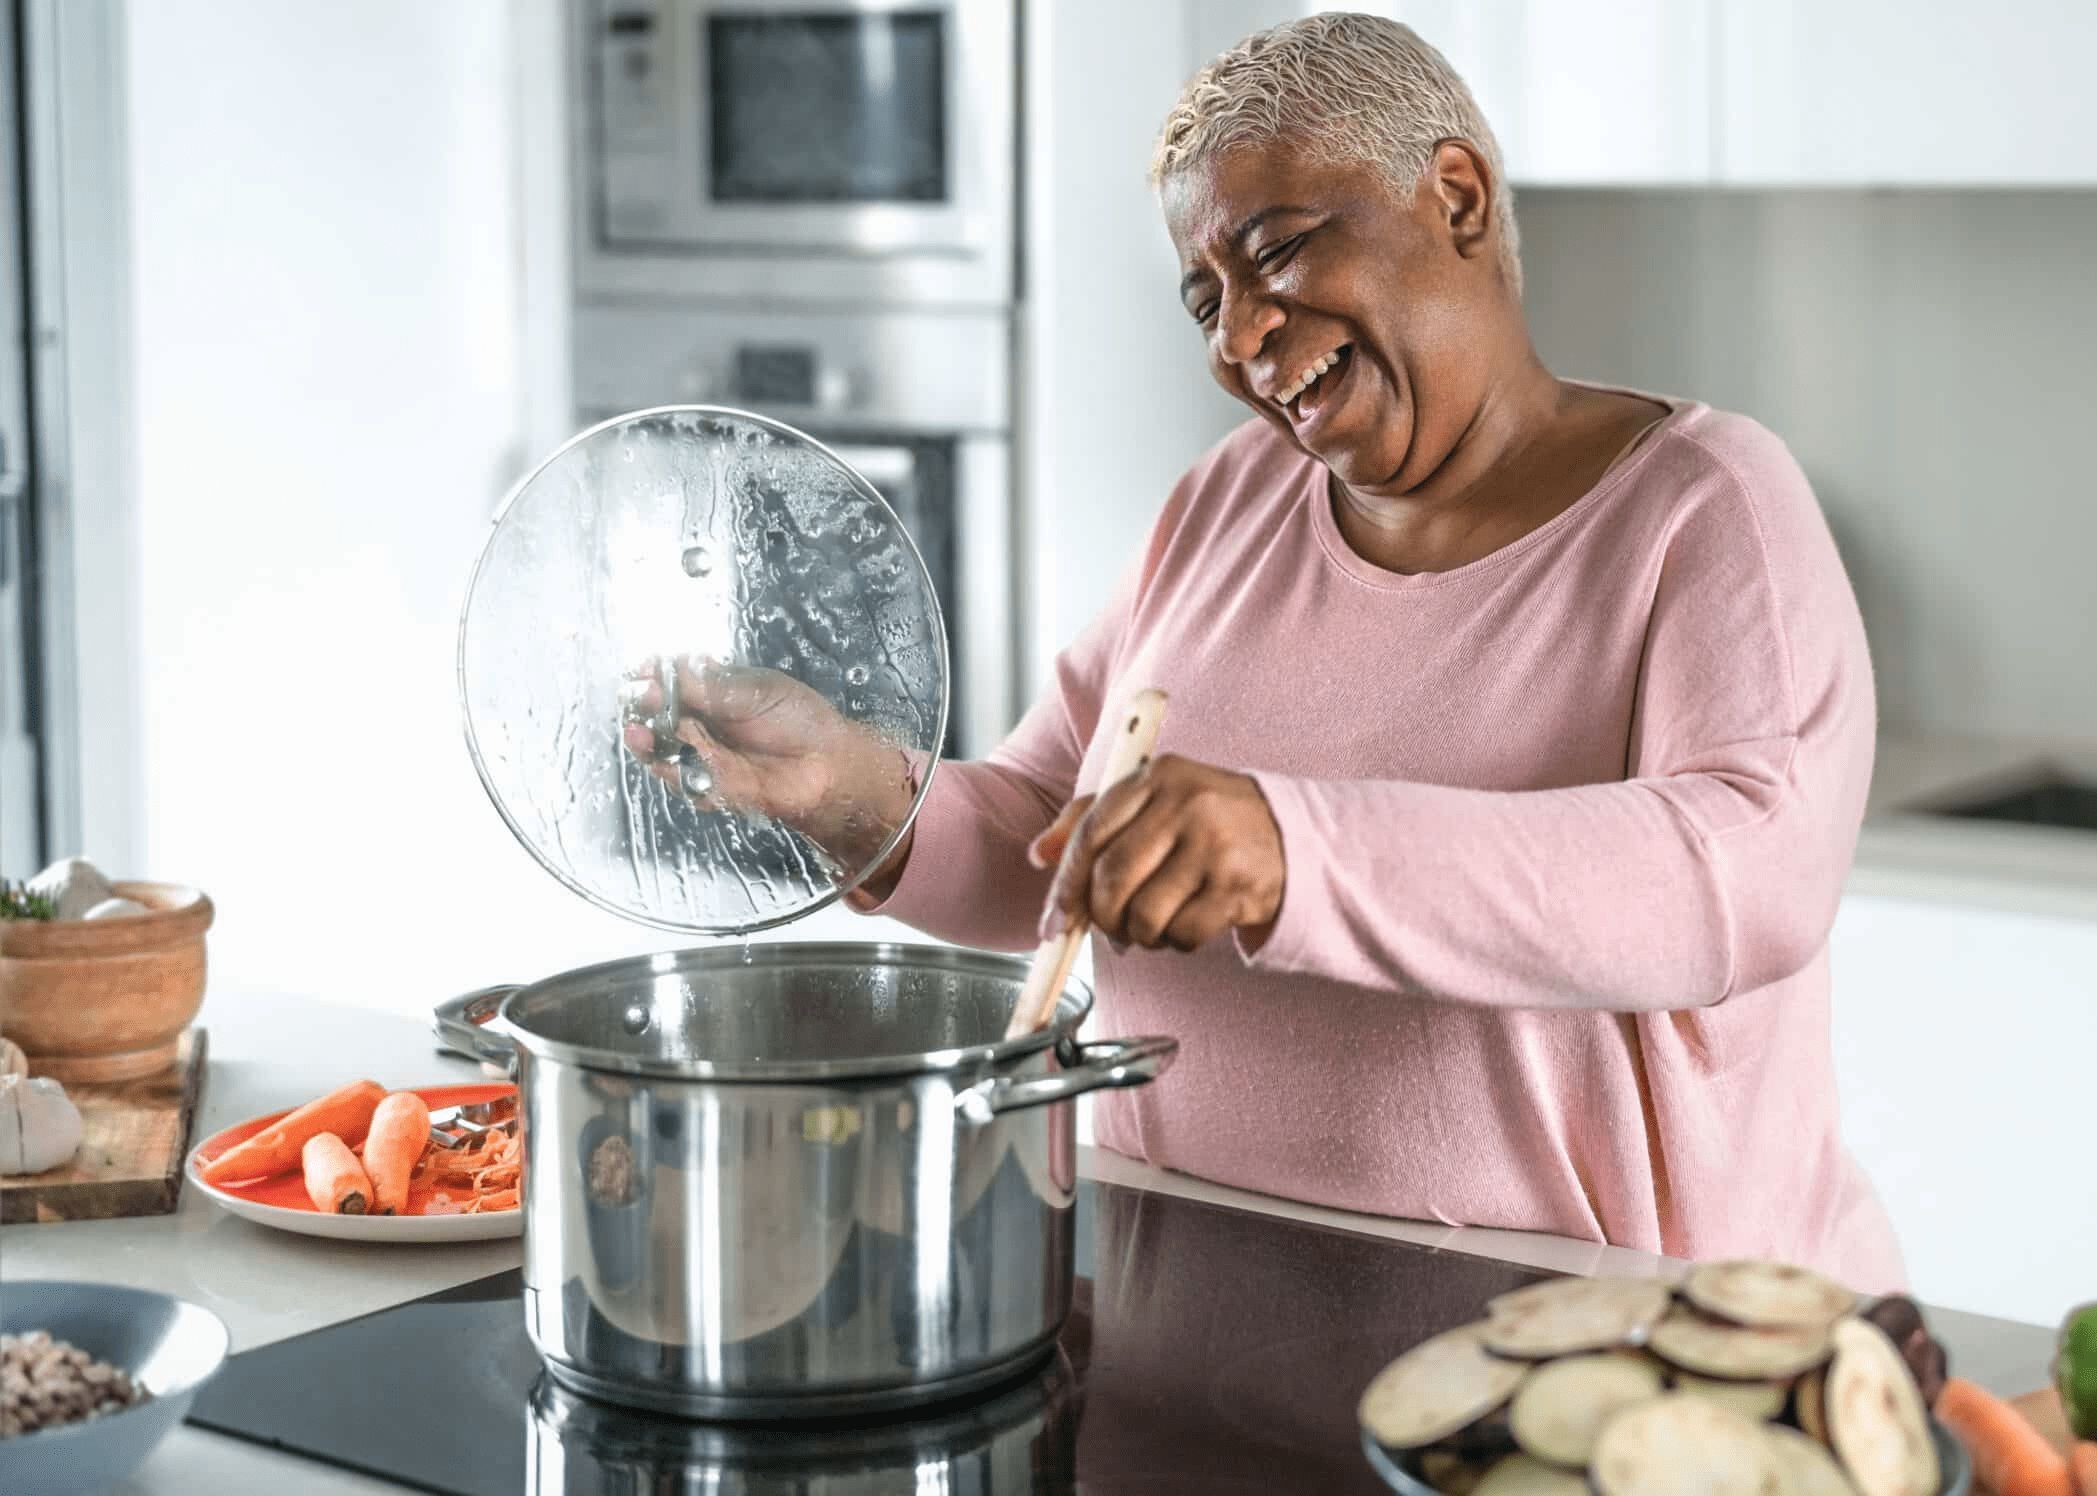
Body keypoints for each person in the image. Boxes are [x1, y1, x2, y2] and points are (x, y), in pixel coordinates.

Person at [641, 12, 1900, 1287]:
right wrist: (858, 795)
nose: (1240, 342)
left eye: (1279, 252)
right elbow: (1051, 838)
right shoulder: (1227, 502)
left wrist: (1294, 850)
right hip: (1186, 1295)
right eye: (1208, 300)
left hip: (1592, 1354)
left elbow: (1743, 874)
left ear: (1453, 198)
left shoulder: (1701, 503)